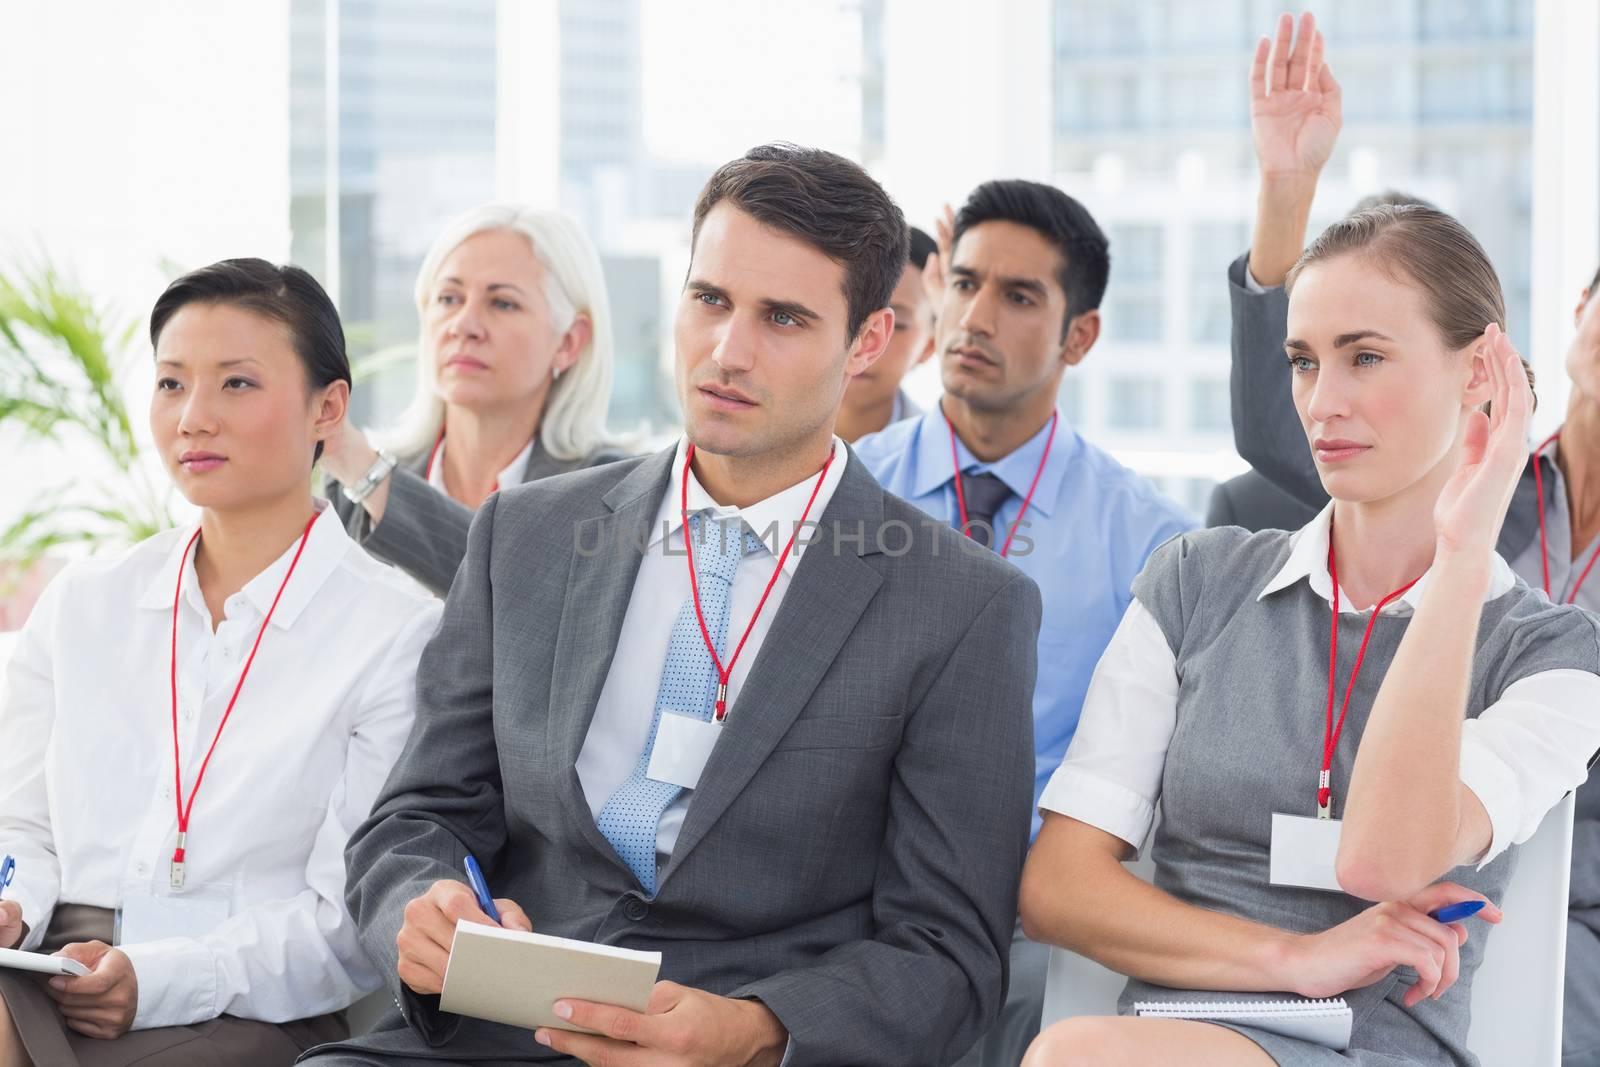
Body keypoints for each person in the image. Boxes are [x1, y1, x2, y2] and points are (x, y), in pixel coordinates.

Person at [302, 143, 1040, 1067]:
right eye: (711, 300)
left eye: (783, 317)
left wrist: (759, 1030)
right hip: (503, 1032)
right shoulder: (522, 534)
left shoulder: (965, 606)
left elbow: (951, 955)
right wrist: (425, 903)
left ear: (867, 343)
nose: (728, 351)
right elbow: (415, 820)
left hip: (742, 1046)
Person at [1020, 200, 1600, 1065]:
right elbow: (1058, 887)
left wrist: (1464, 549)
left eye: (1365, 356)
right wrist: (1296, 959)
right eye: (1303, 361)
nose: (1322, 402)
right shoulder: (1195, 581)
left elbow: (1386, 862)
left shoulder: (1553, 652)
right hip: (1161, 1039)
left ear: (1479, 370)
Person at [1226, 15, 1600, 1060]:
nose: (1324, 394)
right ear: (1572, 313)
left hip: (1556, 875)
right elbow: (1290, 423)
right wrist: (1286, 194)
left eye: (1361, 356)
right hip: (1367, 842)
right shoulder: (1458, 462)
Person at [0, 259, 441, 1065]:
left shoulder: (395, 633)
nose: (193, 417)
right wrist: (11, 902)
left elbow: (347, 924)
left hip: (245, 1002)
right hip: (45, 962)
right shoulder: (84, 599)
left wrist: (161, 976)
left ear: (328, 407)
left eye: (236, 384)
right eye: (171, 383)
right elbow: (21, 826)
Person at [854, 178, 1193, 1067]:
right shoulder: (836, 493)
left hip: (1031, 931)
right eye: (963, 283)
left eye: (1018, 296)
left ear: (1079, 335)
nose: (976, 316)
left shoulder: (1154, 543)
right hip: (843, 902)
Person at [322, 203, 628, 596]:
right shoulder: (349, 493)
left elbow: (524, 592)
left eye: (502, 303)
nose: (463, 325)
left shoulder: (610, 492)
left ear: (569, 342)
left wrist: (367, 473)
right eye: (449, 299)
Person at [835, 225, 937, 442]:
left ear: (929, 347)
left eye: (897, 324)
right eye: (851, 311)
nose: (861, 340)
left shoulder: (937, 451)